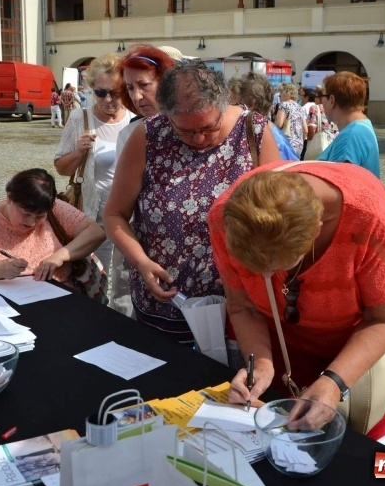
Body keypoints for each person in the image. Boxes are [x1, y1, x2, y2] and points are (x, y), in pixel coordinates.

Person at [207, 161, 385, 439]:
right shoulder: (225, 218)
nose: (267, 278)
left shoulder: (367, 214)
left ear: (317, 230)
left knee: (359, 439)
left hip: (370, 333)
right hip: (288, 336)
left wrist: (334, 382)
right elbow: (244, 305)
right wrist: (261, 364)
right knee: (288, 428)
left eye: (276, 269)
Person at [103, 60, 281, 347]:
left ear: (223, 105)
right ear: (167, 116)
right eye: (184, 131)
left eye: (209, 128)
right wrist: (141, 263)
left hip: (240, 305)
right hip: (165, 303)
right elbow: (114, 214)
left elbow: (279, 215)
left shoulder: (253, 132)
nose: (198, 139)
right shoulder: (148, 136)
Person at [0, 168, 105, 285]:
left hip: (63, 294)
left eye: (40, 216)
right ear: (9, 198)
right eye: (25, 214)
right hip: (11, 303)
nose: (32, 223)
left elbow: (95, 232)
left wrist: (59, 256)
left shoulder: (55, 208)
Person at [109, 44, 177, 316]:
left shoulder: (192, 125)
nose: (137, 96)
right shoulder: (132, 133)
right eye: (129, 88)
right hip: (144, 250)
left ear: (165, 82)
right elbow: (120, 204)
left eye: (144, 85)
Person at [54, 53, 135, 276]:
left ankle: (120, 313)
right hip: (93, 212)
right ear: (91, 88)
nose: (108, 99)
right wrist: (79, 152)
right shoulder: (80, 118)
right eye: (101, 92)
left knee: (125, 278)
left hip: (130, 214)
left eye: (115, 92)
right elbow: (61, 167)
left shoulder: (135, 119)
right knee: (93, 275)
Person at [316, 71, 381, 177]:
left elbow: (338, 185)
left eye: (322, 95)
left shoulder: (350, 136)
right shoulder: (362, 125)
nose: (321, 101)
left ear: (332, 100)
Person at [235, 72, 299, 161]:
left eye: (236, 104)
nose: (232, 109)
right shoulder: (242, 132)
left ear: (251, 104)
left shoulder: (274, 140)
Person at [274, 82, 306, 157]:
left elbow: (279, 124)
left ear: (287, 93)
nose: (279, 95)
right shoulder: (300, 107)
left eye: (281, 92)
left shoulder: (284, 105)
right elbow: (305, 129)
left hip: (287, 143)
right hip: (299, 146)